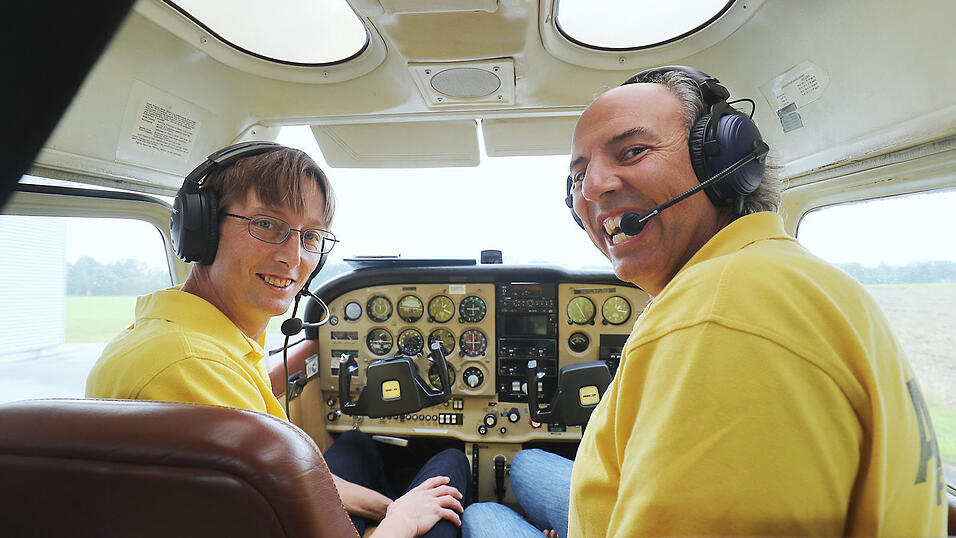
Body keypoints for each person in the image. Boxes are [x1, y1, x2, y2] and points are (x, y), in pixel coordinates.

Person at [466, 66, 947, 536]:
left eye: (632, 151)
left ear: (726, 161)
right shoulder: (779, 275)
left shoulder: (717, 318)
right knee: (526, 463)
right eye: (578, 175)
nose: (592, 189)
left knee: (480, 515)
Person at [86, 143, 469, 538]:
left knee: (358, 445)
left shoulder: (192, 339)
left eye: (310, 236)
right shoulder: (189, 366)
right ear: (202, 230)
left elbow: (283, 479)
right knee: (452, 461)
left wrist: (390, 507)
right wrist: (403, 520)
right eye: (267, 224)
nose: (293, 257)